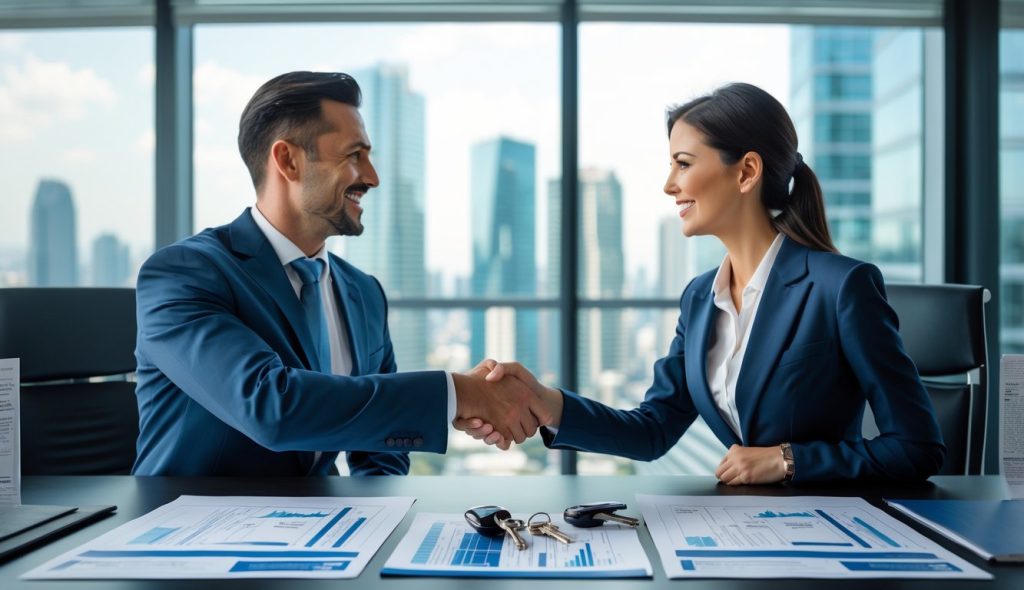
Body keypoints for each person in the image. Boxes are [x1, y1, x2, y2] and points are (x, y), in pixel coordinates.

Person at [461, 82, 946, 484]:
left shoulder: (842, 287)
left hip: (827, 538)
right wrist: (549, 404)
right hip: (740, 534)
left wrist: (788, 459)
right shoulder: (699, 298)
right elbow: (652, 431)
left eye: (684, 163)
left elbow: (918, 448)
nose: (669, 183)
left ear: (747, 172)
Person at [133, 71, 542, 477]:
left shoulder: (363, 292)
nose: (372, 177)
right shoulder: (183, 275)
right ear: (288, 160)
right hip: (190, 528)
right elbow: (270, 407)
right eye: (354, 155)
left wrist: (379, 524)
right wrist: (457, 394)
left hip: (320, 530)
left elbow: (380, 449)